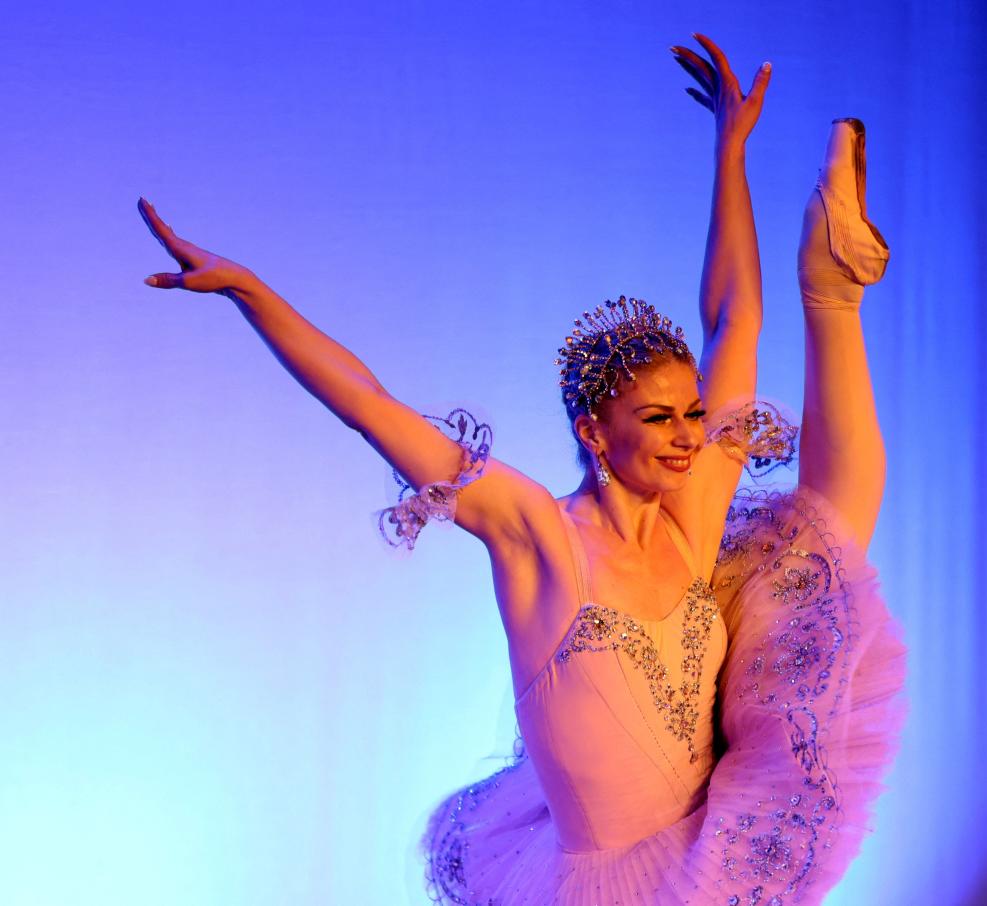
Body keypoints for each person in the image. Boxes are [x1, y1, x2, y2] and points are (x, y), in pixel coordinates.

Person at [137, 34, 905, 906]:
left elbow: (732, 319)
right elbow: (369, 404)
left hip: (705, 852)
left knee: (821, 543)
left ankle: (831, 290)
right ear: (594, 431)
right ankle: (833, 289)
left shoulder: (690, 522)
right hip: (599, 881)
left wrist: (730, 152)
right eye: (659, 420)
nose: (691, 437)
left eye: (691, 413)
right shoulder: (541, 536)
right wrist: (253, 296)